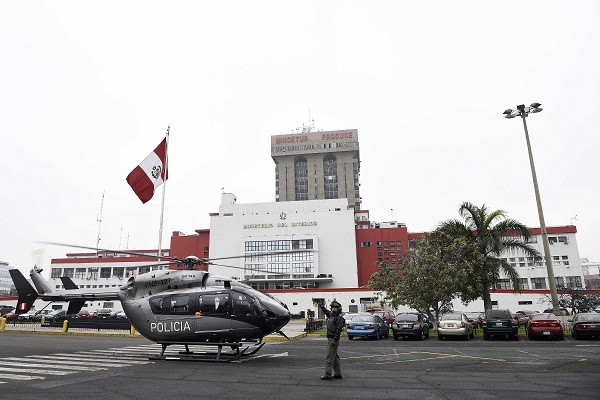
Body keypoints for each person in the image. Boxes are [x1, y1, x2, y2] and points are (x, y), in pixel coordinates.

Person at [318, 300, 345, 380]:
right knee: (335, 356)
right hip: (331, 338)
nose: (333, 309)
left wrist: (334, 340)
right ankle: (338, 373)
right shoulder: (331, 316)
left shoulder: (340, 319)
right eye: (332, 308)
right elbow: (326, 312)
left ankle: (327, 374)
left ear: (339, 309)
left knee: (329, 357)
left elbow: (338, 330)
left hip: (333, 339)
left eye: (335, 308)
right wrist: (321, 306)